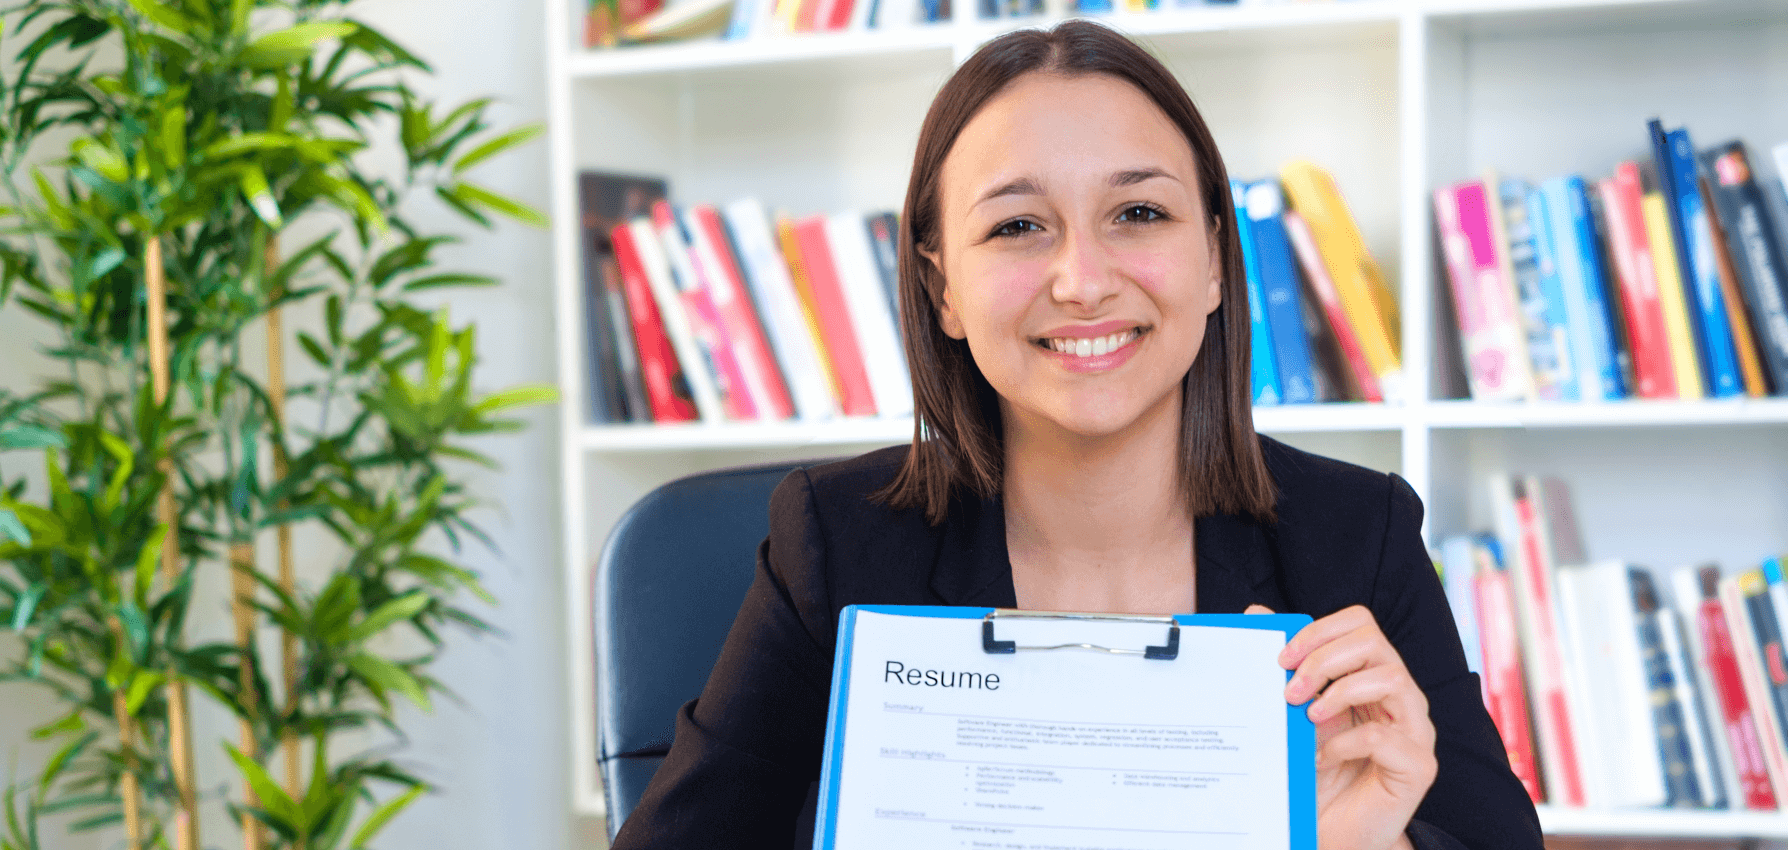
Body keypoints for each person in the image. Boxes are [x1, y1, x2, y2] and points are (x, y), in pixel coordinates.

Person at [610, 19, 1542, 850]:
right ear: (944, 289)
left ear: (1215, 257)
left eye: (1139, 213)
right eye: (1018, 226)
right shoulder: (840, 541)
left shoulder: (1356, 536)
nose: (1083, 279)